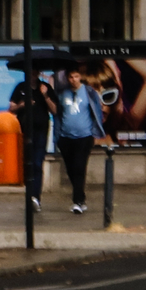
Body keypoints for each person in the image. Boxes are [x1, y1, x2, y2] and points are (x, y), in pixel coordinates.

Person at [54, 67, 106, 213]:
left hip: (84, 136)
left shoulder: (89, 92)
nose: (74, 80)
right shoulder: (62, 93)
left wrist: (95, 131)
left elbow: (97, 111)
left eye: (76, 76)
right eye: (71, 77)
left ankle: (77, 201)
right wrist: (57, 136)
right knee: (71, 169)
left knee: (79, 166)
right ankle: (80, 198)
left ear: (80, 77)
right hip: (65, 136)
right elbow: (58, 113)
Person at [10, 72, 56, 206]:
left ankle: (35, 196)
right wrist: (22, 105)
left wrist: (45, 95)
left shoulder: (45, 87)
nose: (33, 76)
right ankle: (30, 193)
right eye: (30, 73)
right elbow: (11, 108)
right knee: (27, 163)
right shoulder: (21, 87)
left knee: (37, 163)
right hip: (24, 130)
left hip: (41, 130)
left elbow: (55, 110)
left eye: (35, 73)